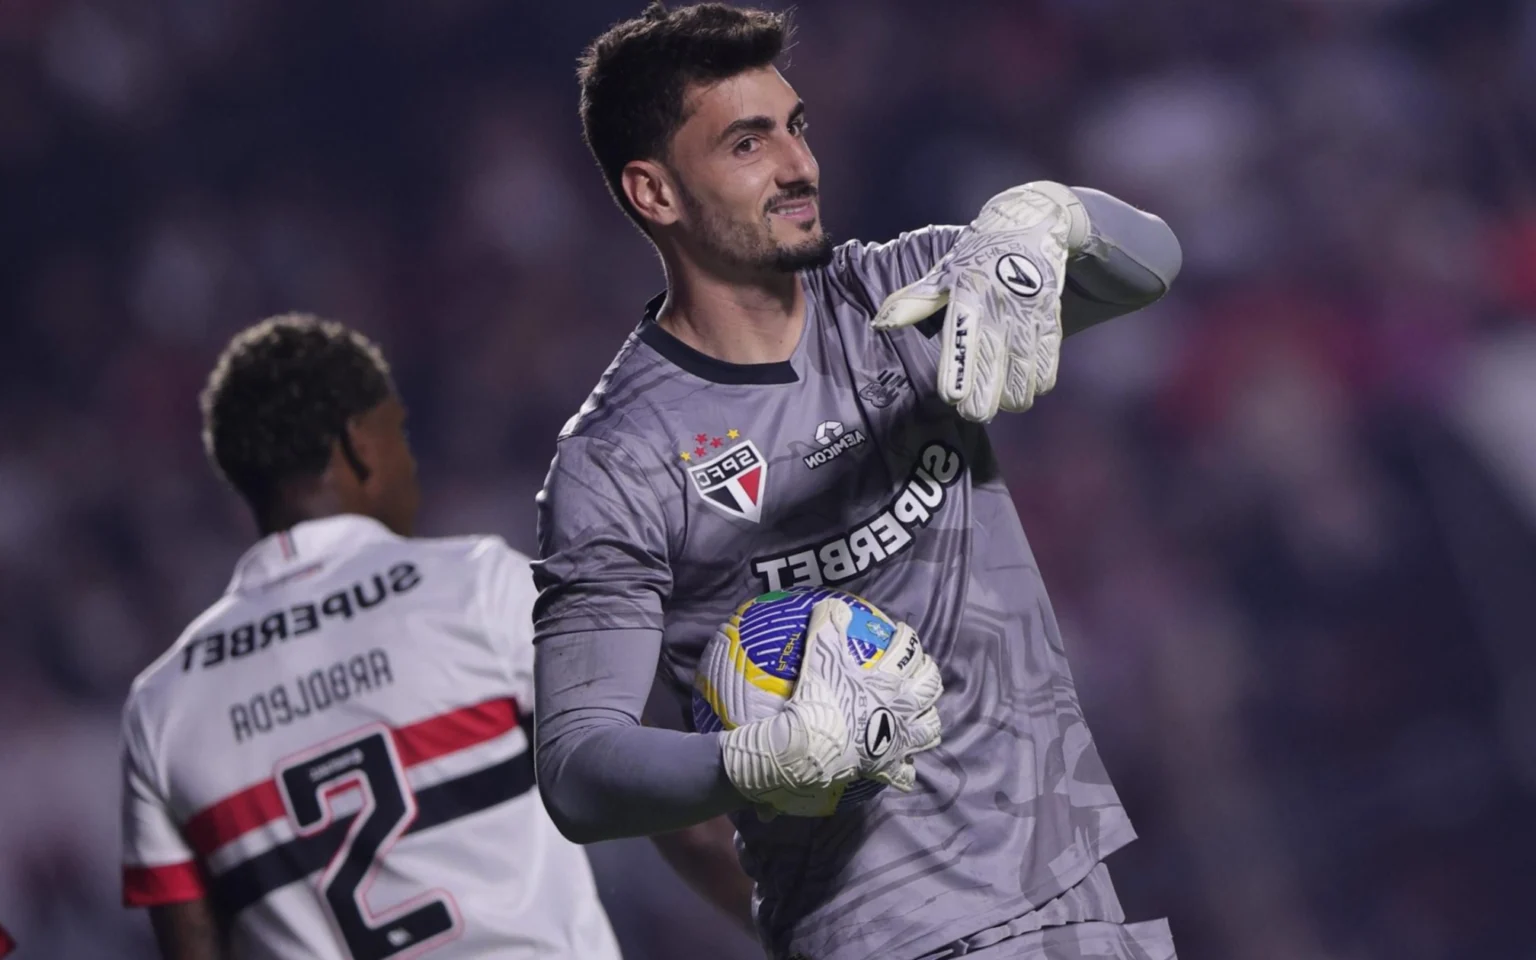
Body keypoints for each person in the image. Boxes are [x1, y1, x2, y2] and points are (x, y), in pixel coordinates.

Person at [532, 4, 1185, 960]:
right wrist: (761, 758)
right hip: (884, 935)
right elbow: (579, 767)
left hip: (1073, 901)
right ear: (655, 191)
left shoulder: (907, 294)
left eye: (797, 128)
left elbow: (1153, 266)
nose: (799, 166)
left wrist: (1050, 221)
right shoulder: (618, 458)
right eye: (748, 143)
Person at [119, 315, 642, 959]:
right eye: (398, 432)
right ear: (358, 443)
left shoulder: (160, 707)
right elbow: (651, 790)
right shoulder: (479, 588)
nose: (409, 460)